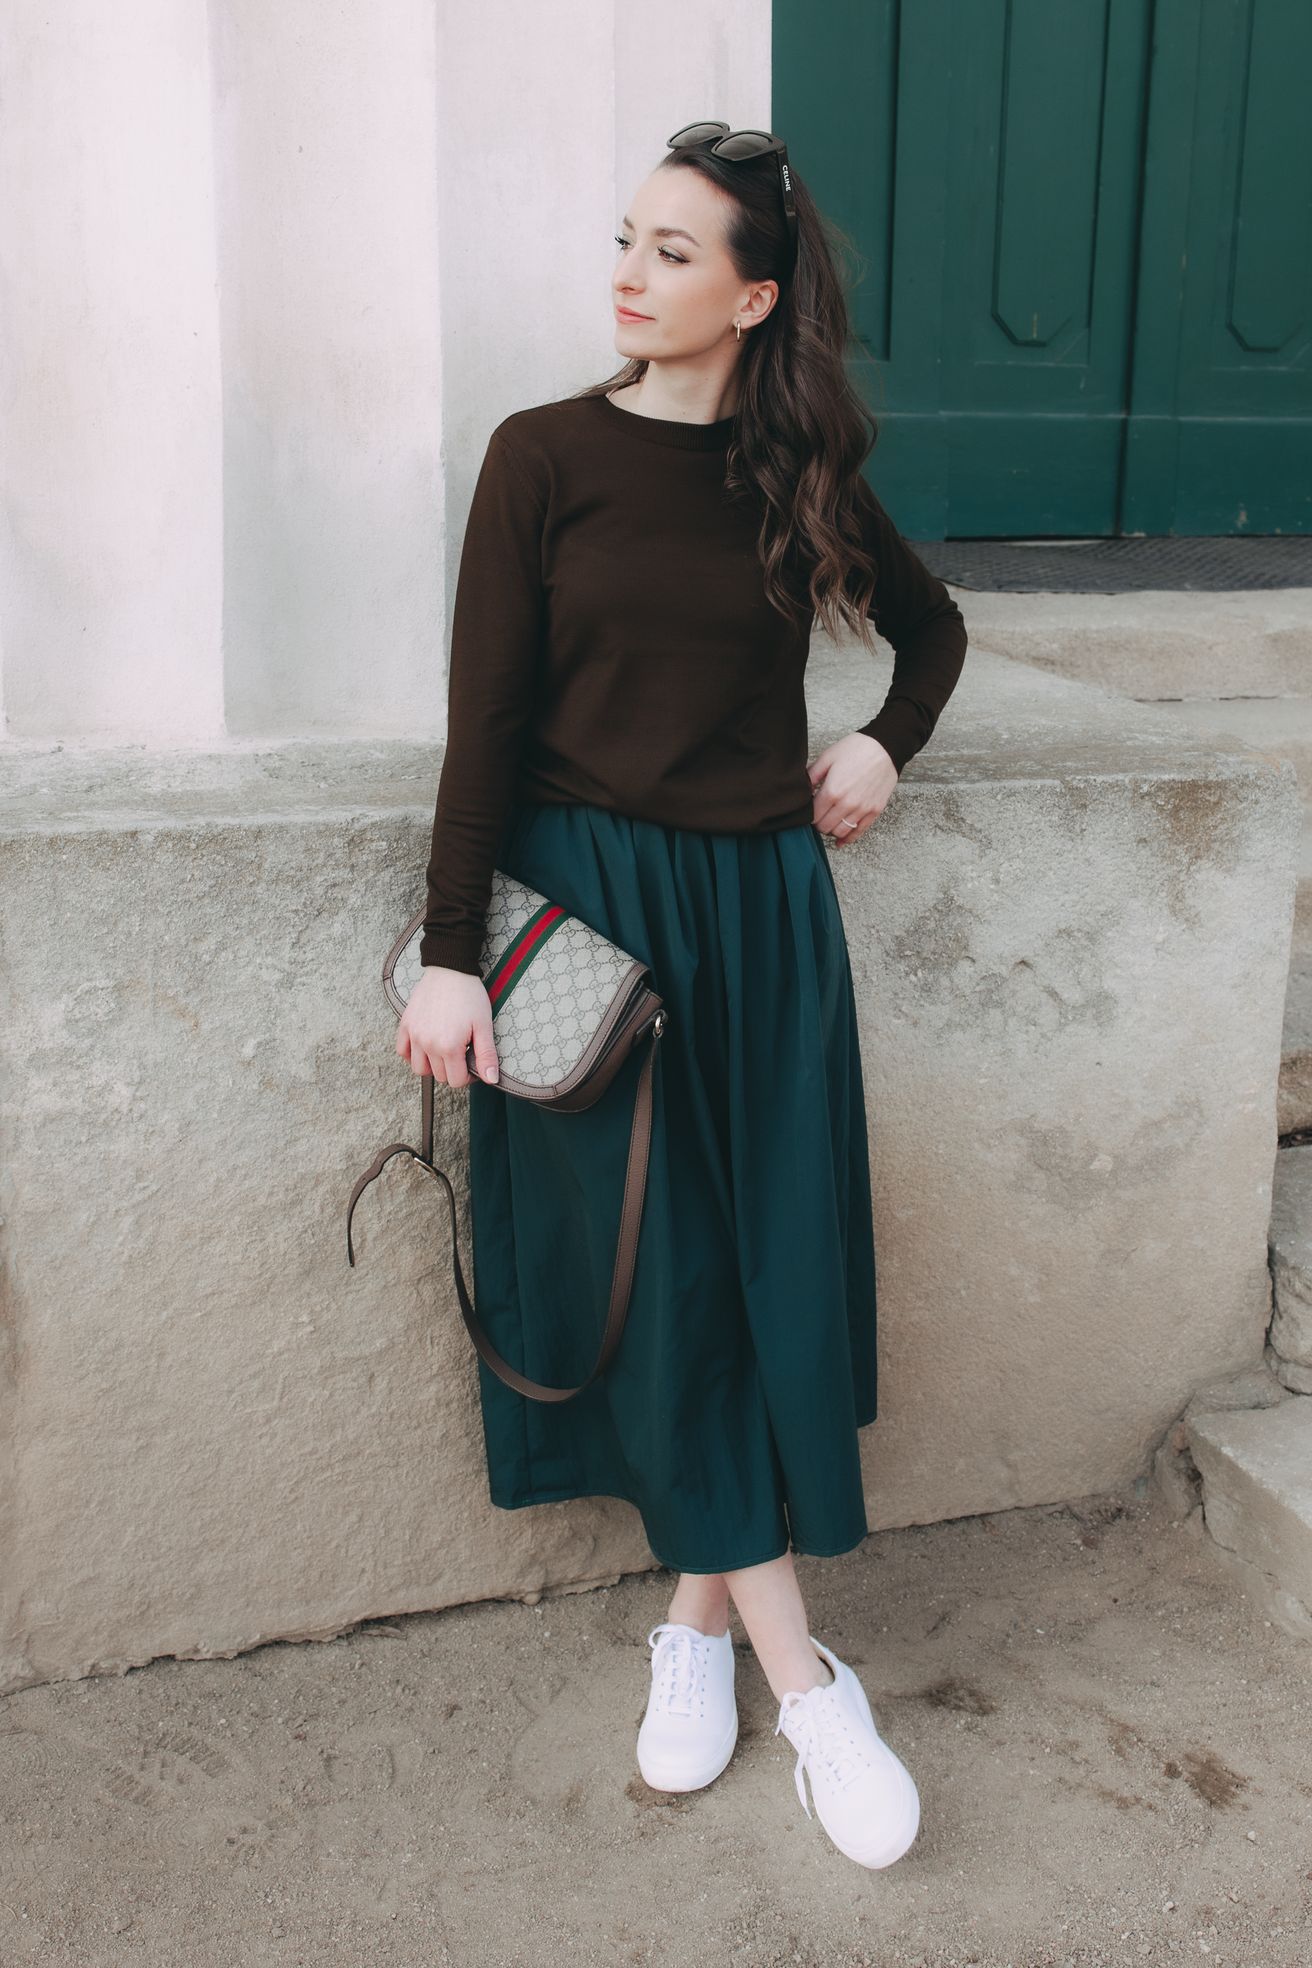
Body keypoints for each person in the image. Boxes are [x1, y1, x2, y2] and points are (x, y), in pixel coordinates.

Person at [397, 121, 967, 1871]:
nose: (630, 275)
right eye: (626, 240)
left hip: (763, 917)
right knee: (676, 1281)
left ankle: (697, 1628)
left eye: (672, 251)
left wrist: (881, 744)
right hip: (592, 927)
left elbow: (933, 630)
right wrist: (446, 950)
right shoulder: (543, 456)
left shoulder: (798, 468)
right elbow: (486, 725)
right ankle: (814, 1689)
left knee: (761, 1265)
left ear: (754, 296)